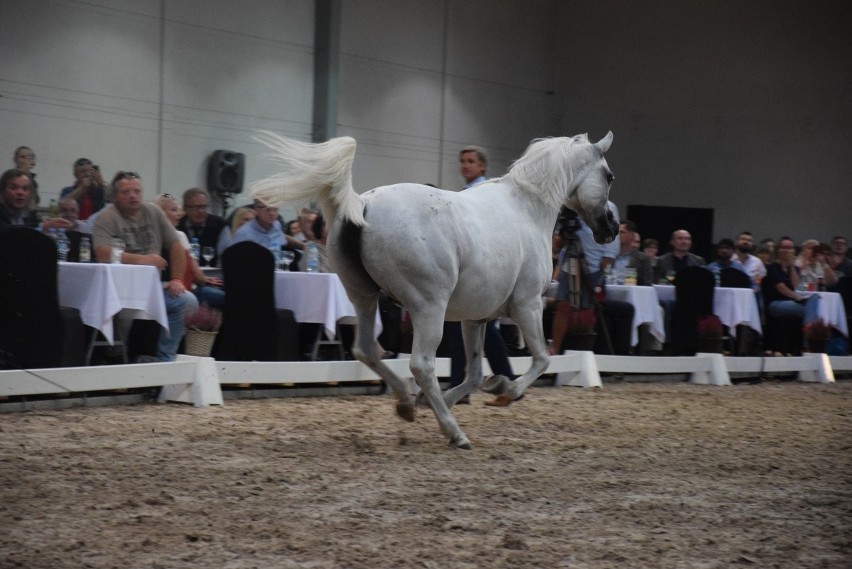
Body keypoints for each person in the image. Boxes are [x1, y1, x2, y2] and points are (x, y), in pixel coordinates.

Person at [92, 171, 198, 362]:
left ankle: (164, 358)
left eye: (136, 191)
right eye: (126, 192)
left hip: (152, 289)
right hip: (119, 292)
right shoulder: (106, 218)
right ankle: (116, 356)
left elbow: (175, 245)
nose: (133, 195)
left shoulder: (154, 212)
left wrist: (176, 279)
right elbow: (102, 252)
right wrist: (142, 259)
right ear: (115, 196)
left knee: (188, 301)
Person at [439, 145, 516, 403]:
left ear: (482, 166)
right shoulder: (466, 193)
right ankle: (501, 383)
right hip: (471, 268)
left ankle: (464, 386)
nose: (465, 165)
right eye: (463, 161)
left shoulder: (482, 193)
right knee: (471, 329)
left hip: (482, 268)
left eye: (471, 161)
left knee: (475, 328)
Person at [154, 193, 224, 309]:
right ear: (161, 214)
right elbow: (197, 275)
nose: (179, 214)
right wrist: (203, 279)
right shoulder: (179, 236)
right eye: (174, 210)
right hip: (183, 290)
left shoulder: (152, 237)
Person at [763, 236, 820, 341]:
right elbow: (781, 288)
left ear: (793, 250)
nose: (786, 250)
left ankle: (807, 332)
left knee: (815, 298)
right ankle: (808, 339)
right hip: (776, 303)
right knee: (812, 312)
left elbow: (795, 285)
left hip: (791, 302)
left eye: (789, 248)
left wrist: (792, 266)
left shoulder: (795, 268)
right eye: (784, 247)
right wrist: (797, 297)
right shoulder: (773, 267)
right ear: (778, 250)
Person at [0, 169, 72, 232]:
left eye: (25, 188)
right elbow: (5, 231)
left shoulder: (30, 214)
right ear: (2, 191)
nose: (20, 192)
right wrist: (42, 226)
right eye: (13, 188)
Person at [176, 188, 229, 267]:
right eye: (195, 207)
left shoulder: (219, 224)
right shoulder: (178, 226)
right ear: (185, 208)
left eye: (204, 207)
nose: (201, 211)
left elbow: (225, 255)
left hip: (213, 273)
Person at [612, 220, 653, 286]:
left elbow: (647, 284)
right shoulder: (609, 255)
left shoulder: (642, 258)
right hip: (609, 293)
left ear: (632, 236)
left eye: (621, 232)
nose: (617, 235)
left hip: (632, 293)